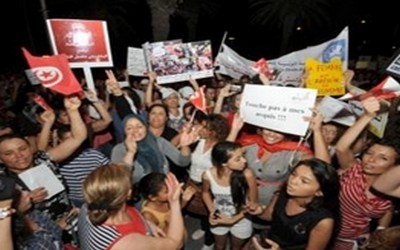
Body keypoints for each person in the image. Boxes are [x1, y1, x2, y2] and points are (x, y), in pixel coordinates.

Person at [0, 96, 87, 221]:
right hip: (41, 237)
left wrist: (72, 111)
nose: (19, 155)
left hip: (73, 222)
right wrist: (21, 206)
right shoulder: (3, 184)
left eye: (22, 149)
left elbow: (78, 137)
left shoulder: (44, 160)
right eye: (9, 153)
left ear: (31, 148)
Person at [333, 97, 399, 249]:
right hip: (328, 233)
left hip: (357, 242)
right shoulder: (353, 169)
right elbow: (341, 148)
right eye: (369, 153)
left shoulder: (391, 188)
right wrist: (367, 116)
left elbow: (387, 208)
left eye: (382, 158)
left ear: (393, 166)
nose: (371, 160)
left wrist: (380, 231)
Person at [78, 163, 186, 250]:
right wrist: (174, 201)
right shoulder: (124, 242)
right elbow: (175, 244)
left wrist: (147, 224)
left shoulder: (89, 205)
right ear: (128, 193)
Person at [248, 158, 340, 250]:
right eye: (294, 174)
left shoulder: (323, 221)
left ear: (319, 192)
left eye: (304, 181)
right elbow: (269, 215)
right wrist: (258, 212)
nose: (293, 181)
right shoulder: (283, 194)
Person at [202, 141, 258, 250]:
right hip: (219, 217)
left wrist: (233, 220)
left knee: (236, 248)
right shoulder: (208, 175)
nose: (244, 160)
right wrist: (212, 211)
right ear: (224, 163)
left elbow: (254, 204)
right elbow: (205, 192)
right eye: (238, 159)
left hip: (242, 218)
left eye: (243, 156)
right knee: (219, 246)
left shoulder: (247, 174)